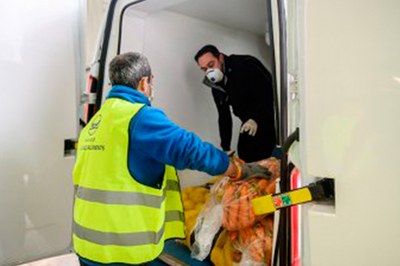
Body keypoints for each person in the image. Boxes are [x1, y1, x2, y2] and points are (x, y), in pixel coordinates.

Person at [72, 52, 269, 266]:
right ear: (144, 82)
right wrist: (236, 169)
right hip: (122, 252)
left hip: (87, 245)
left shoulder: (96, 121)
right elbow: (191, 150)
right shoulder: (140, 117)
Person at [194, 45, 276, 162]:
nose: (209, 71)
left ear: (220, 58)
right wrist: (225, 148)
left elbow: (269, 91)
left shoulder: (245, 65)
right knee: (244, 154)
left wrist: (256, 118)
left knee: (265, 154)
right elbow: (224, 116)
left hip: (268, 114)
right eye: (204, 69)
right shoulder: (216, 86)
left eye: (211, 65)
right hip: (247, 120)